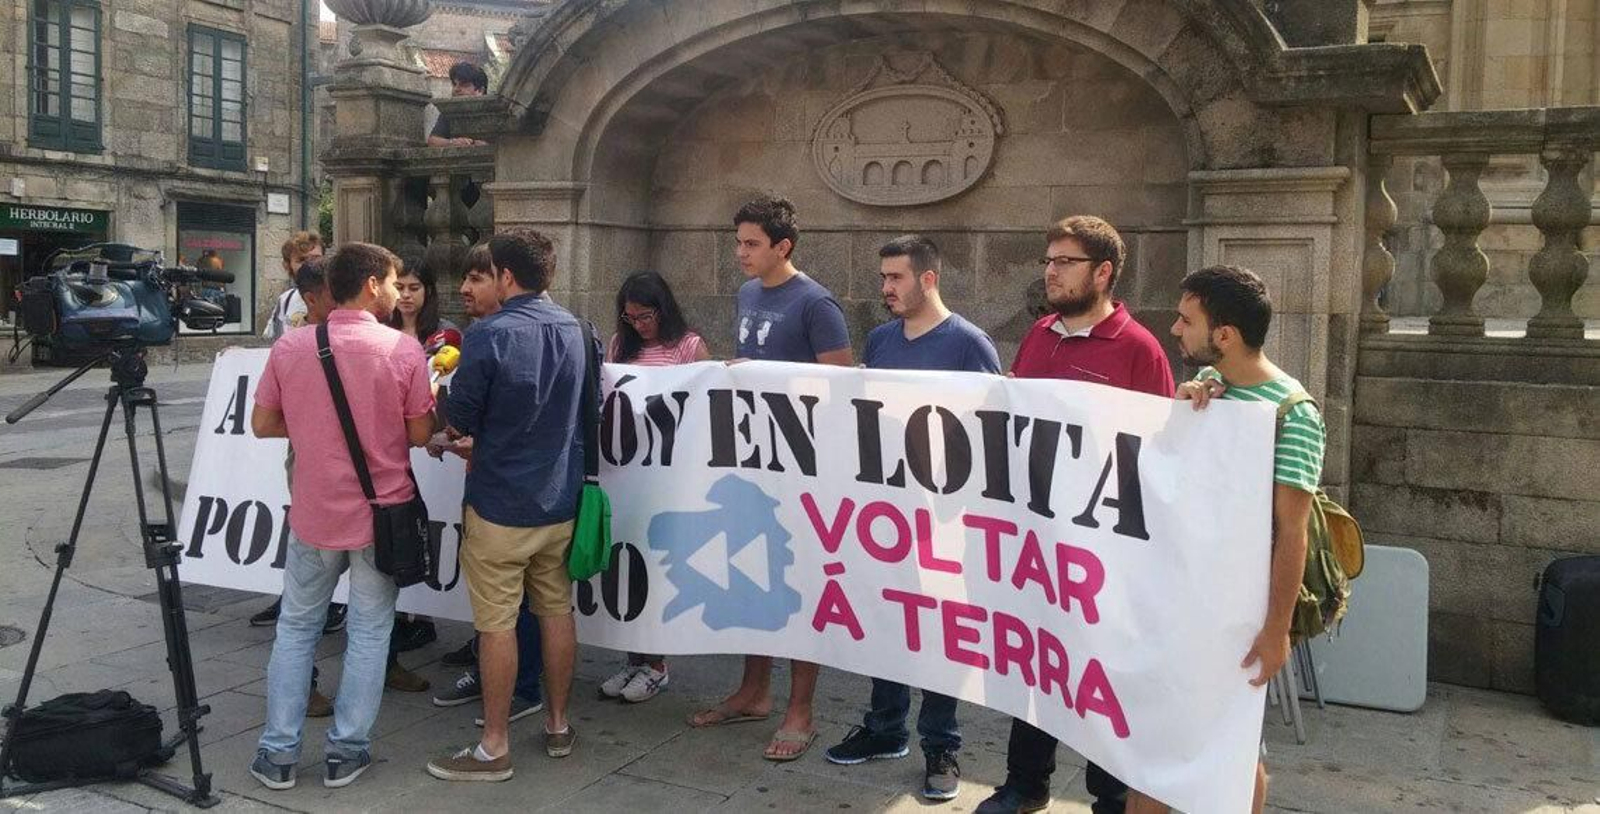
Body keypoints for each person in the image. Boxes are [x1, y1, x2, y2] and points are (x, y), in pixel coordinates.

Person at [977, 216, 1174, 814]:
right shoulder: (1040, 333)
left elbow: (1160, 450)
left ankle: (1110, 795)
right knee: (1035, 657)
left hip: (1103, 548)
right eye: (1049, 260)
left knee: (1101, 671)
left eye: (1065, 262)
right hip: (1036, 536)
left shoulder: (1140, 349)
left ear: (1104, 272)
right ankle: (1024, 782)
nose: (1051, 271)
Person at [1125, 265, 1323, 814]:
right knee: (1161, 751)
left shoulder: (1294, 414)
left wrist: (1275, 630)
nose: (1174, 330)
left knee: (1232, 754)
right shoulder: (1209, 395)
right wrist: (1184, 420)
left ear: (1224, 335)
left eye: (1186, 320)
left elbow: (1292, 534)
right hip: (1179, 607)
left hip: (1235, 619)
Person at [247, 243, 436, 791]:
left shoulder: (292, 346)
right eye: (396, 282)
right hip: (383, 515)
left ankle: (277, 753)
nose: (400, 292)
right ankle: (346, 751)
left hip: (314, 512)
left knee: (297, 628)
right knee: (370, 631)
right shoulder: (401, 351)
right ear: (373, 284)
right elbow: (421, 434)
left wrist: (311, 427)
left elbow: (262, 423)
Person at [824, 235, 999, 800]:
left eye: (895, 278)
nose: (885, 289)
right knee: (889, 617)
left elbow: (992, 432)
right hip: (888, 512)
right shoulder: (880, 339)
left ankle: (941, 745)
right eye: (882, 278)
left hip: (946, 517)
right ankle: (884, 727)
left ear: (928, 279)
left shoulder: (970, 345)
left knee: (941, 630)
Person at [687, 195, 851, 763]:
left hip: (802, 470)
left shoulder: (817, 303)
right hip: (752, 461)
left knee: (803, 586)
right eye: (739, 242)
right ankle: (754, 690)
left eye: (752, 243)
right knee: (752, 576)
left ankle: (799, 707)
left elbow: (839, 385)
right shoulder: (747, 293)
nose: (741, 253)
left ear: (783, 246)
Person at [427, 229, 591, 781]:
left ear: (506, 276)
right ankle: (559, 724)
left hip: (500, 502)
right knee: (556, 610)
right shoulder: (578, 327)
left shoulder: (488, 335)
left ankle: (494, 746)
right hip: (559, 498)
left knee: (497, 623)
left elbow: (461, 420)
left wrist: (442, 388)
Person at [429, 244, 549, 730]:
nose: (465, 289)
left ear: (504, 280)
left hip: (509, 496)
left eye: (478, 278)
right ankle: (496, 675)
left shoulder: (501, 337)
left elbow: (485, 423)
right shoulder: (479, 338)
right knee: (500, 602)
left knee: (522, 604)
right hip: (504, 488)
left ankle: (520, 690)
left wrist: (451, 432)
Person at [598, 271, 711, 704]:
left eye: (644, 316)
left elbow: (699, 407)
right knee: (624, 564)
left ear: (662, 310)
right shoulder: (618, 343)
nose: (638, 325)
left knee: (656, 568)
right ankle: (635, 656)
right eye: (629, 318)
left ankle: (657, 664)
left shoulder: (688, 346)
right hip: (624, 465)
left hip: (664, 469)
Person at [263, 231, 326, 341]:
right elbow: (275, 339)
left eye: (316, 258)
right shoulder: (286, 299)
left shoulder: (337, 296)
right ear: (288, 265)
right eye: (302, 260)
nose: (309, 264)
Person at [427, 61, 490, 148]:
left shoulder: (492, 112)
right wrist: (452, 143)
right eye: (454, 84)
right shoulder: (450, 111)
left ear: (480, 91)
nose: (456, 89)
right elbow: (432, 141)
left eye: (464, 85)